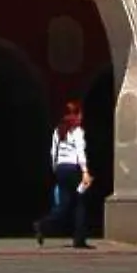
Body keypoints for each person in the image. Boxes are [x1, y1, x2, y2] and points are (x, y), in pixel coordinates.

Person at [35, 99, 92, 249]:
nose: (81, 116)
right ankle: (79, 239)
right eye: (80, 113)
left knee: (64, 204)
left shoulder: (58, 131)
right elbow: (80, 153)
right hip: (74, 169)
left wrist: (55, 169)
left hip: (61, 169)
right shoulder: (78, 131)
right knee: (80, 202)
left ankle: (43, 225)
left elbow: (53, 152)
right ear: (77, 115)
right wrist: (85, 172)